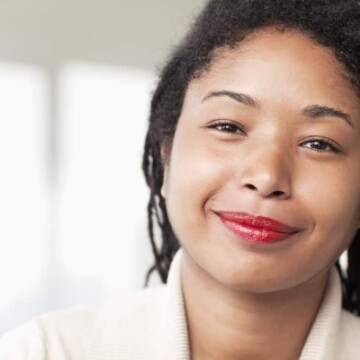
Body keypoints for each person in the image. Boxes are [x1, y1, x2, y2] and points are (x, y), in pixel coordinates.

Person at [1, 0, 360, 358]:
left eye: (319, 143)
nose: (266, 177)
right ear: (167, 155)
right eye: (228, 127)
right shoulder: (42, 351)